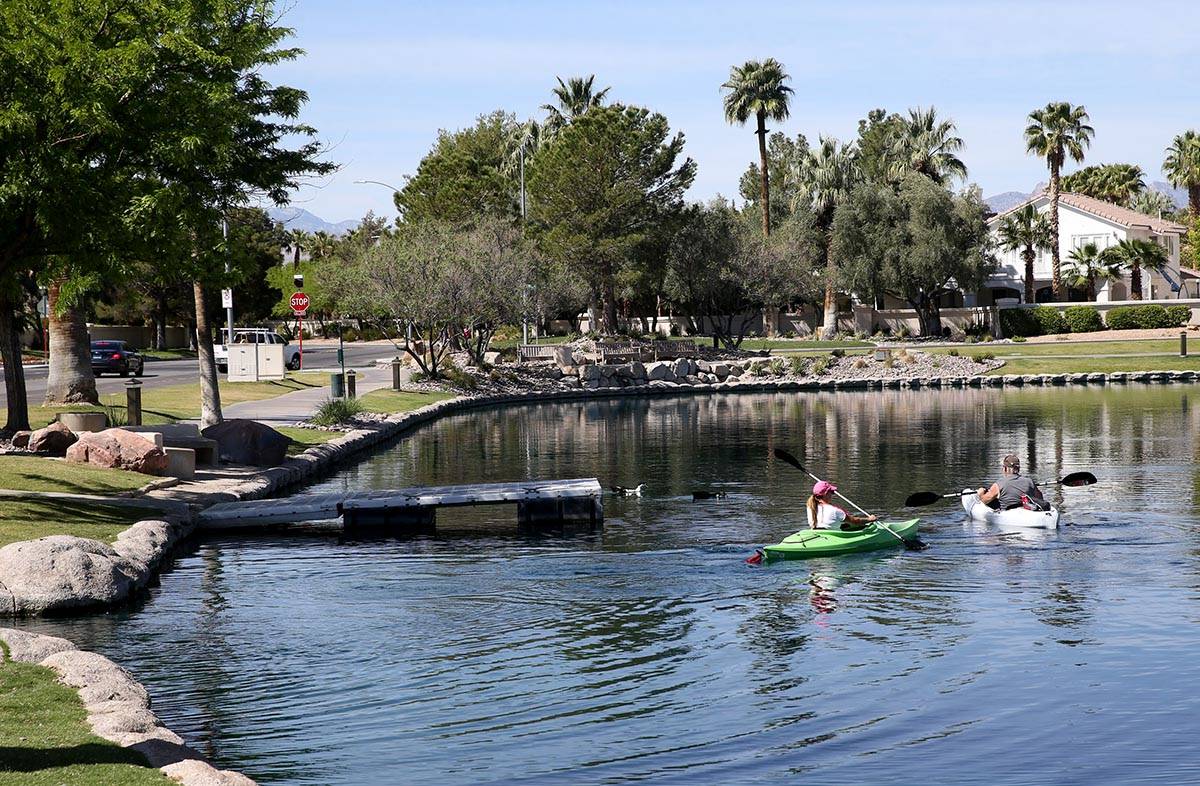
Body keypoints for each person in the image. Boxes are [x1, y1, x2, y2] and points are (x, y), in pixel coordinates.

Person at [977, 454, 1046, 511]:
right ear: (1018, 469)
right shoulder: (1029, 481)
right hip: (1026, 510)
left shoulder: (999, 483)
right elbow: (1040, 498)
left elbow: (985, 500)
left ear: (1005, 468)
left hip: (1008, 513)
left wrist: (981, 493)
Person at [807, 480, 877, 530]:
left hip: (816, 532)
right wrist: (870, 519)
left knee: (845, 525)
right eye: (831, 492)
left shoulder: (810, 507)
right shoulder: (835, 511)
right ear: (826, 494)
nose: (832, 494)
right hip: (833, 535)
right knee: (854, 524)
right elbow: (855, 521)